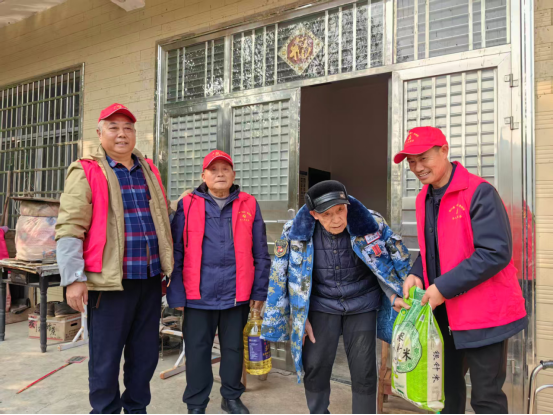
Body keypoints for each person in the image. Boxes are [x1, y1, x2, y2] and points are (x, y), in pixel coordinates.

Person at [395, 126, 527, 414]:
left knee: (486, 398)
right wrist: (416, 272)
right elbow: (434, 248)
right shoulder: (424, 197)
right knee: (445, 393)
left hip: (485, 315)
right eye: (411, 162)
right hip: (444, 316)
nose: (417, 168)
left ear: (444, 151)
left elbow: (494, 252)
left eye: (423, 158)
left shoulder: (479, 192)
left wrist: (442, 287)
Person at [55, 104, 174, 414]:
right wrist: (73, 278)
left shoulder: (148, 169)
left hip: (149, 279)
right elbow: (70, 227)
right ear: (99, 133)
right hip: (109, 285)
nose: (122, 134)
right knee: (105, 359)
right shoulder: (85, 170)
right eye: (114, 127)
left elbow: (162, 216)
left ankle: (137, 409)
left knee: (144, 356)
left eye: (128, 128)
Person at [261, 181, 412, 415]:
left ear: (347, 205)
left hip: (362, 303)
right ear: (314, 214)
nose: (336, 220)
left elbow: (387, 263)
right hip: (321, 305)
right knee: (315, 365)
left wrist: (396, 296)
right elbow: (280, 276)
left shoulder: (370, 223)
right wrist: (298, 317)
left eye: (340, 210)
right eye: (327, 214)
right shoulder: (295, 232)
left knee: (364, 371)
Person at [167, 150, 271, 415]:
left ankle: (231, 397)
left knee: (233, 348)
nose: (220, 174)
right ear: (203, 176)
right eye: (213, 170)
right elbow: (176, 250)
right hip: (197, 293)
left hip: (237, 292)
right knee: (197, 351)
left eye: (225, 169)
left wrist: (259, 291)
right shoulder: (188, 204)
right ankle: (196, 403)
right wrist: (176, 293)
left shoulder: (249, 203)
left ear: (234, 175)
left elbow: (260, 251)